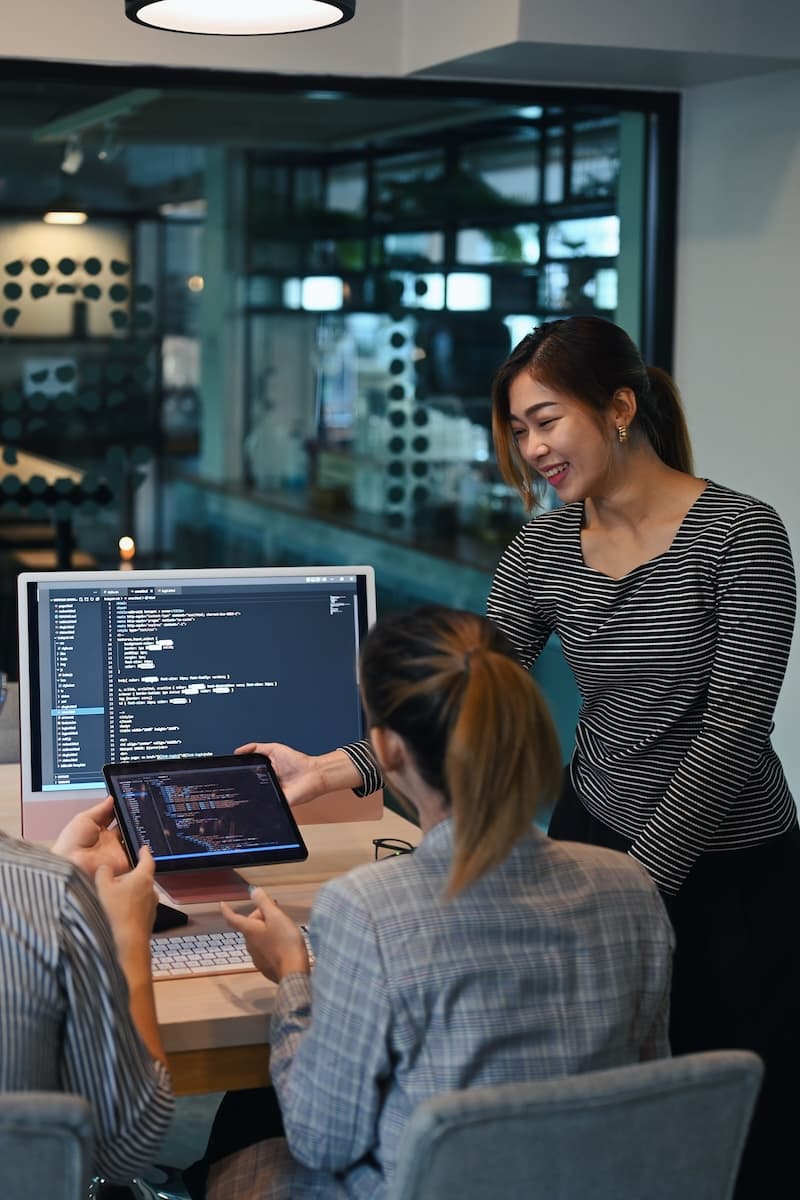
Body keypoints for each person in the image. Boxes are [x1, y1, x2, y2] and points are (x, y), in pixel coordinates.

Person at [242, 317, 797, 1199]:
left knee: (729, 1133)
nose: (532, 447)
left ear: (619, 407)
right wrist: (336, 766)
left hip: (734, 868)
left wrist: (637, 886)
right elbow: (470, 688)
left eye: (547, 420)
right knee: (594, 1116)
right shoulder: (543, 548)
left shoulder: (741, 536)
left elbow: (732, 731)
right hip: (600, 828)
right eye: (519, 430)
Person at [187, 605, 673, 1200]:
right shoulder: (631, 886)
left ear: (386, 750)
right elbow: (646, 1091)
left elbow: (322, 1140)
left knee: (248, 1126)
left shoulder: (369, 908)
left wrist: (293, 974)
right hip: (585, 1184)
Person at [0, 795, 174, 1182]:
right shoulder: (55, 891)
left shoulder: (54, 886)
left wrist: (62, 871)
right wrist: (127, 937)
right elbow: (125, 1150)